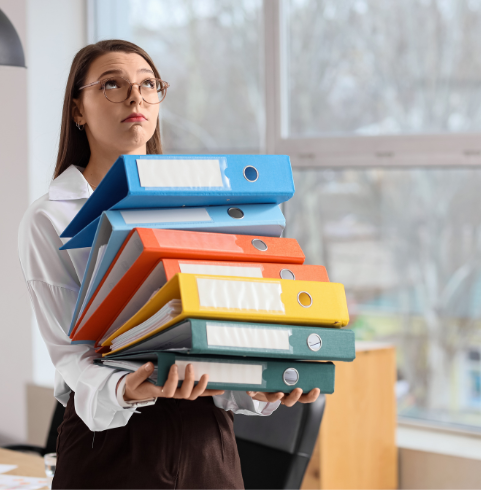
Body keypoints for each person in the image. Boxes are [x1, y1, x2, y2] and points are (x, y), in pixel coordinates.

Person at [17, 40, 320, 489]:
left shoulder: (201, 205)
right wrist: (127, 388)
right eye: (113, 84)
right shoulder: (52, 216)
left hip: (207, 443)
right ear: (78, 109)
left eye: (148, 84)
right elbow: (71, 356)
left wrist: (262, 385)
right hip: (113, 444)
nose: (136, 97)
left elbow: (221, 326)